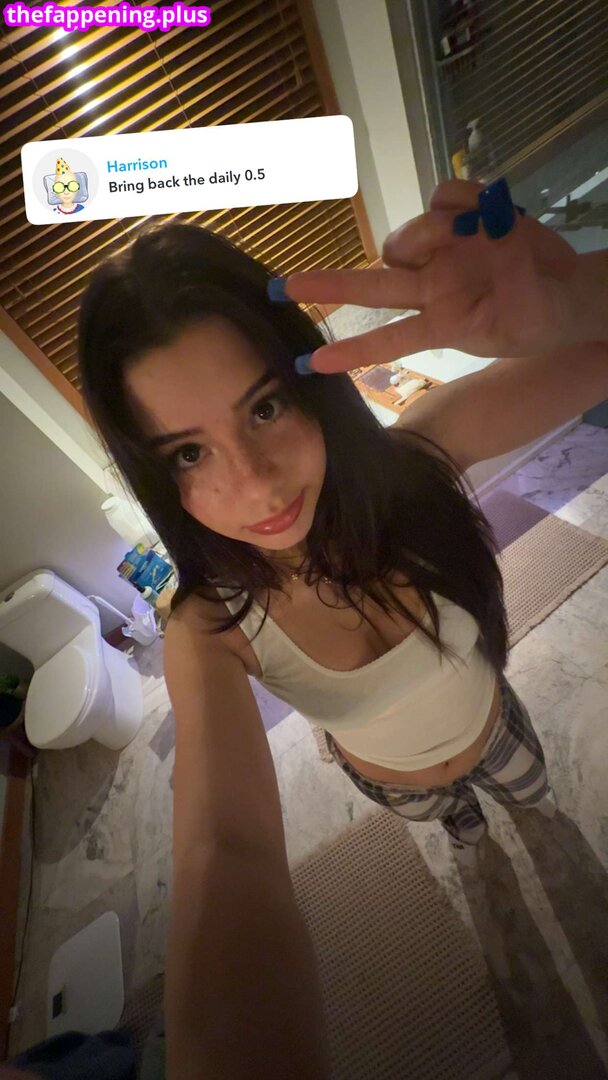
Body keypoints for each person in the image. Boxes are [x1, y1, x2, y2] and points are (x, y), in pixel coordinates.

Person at [76, 177, 608, 1079]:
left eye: (264, 407)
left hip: (499, 727)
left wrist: (577, 298)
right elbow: (226, 851)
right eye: (190, 453)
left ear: (309, 386)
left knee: (537, 804)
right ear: (158, 477)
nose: (257, 484)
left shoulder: (417, 464)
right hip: (396, 785)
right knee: (467, 839)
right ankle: (471, 844)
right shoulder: (210, 630)